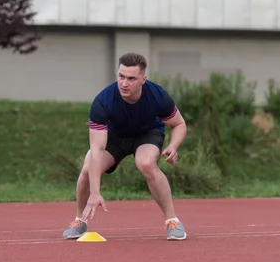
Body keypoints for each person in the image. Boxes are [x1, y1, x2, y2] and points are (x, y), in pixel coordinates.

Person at [62, 52, 188, 241]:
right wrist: (95, 193)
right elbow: (97, 150)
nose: (124, 83)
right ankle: (79, 220)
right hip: (115, 136)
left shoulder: (157, 95)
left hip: (147, 133)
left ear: (143, 80)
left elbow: (179, 124)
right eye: (121, 76)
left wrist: (173, 145)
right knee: (88, 167)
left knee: (146, 164)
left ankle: (173, 220)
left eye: (131, 78)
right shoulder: (103, 101)